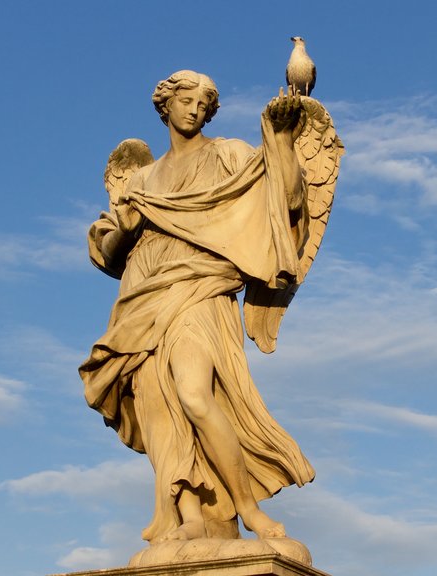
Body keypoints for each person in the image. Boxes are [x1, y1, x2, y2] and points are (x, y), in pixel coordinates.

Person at [79, 70, 315, 543]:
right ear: (165, 106)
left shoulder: (228, 154)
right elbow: (106, 252)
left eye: (204, 104)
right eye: (186, 100)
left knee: (192, 393)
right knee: (159, 409)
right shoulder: (142, 177)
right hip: (141, 295)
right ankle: (187, 513)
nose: (194, 110)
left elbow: (286, 201)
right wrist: (125, 228)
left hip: (200, 287)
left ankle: (248, 509)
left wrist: (283, 141)